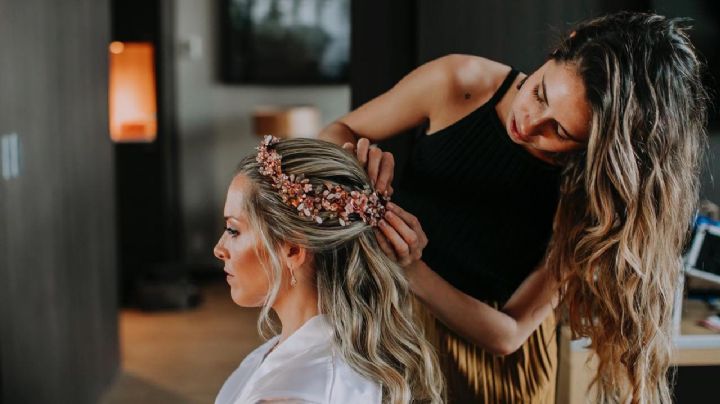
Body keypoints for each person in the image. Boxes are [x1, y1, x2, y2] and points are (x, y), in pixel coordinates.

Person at [320, 11, 709, 404]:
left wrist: (408, 268)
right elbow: (337, 132)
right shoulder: (460, 83)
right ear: (560, 48)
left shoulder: (594, 196)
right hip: (396, 324)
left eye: (559, 130)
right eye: (540, 92)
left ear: (595, 147)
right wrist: (354, 168)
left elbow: (508, 333)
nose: (529, 122)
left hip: (498, 371)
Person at [213, 136, 444, 404]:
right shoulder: (301, 354)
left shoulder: (290, 393)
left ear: (293, 251)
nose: (219, 249)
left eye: (233, 230)